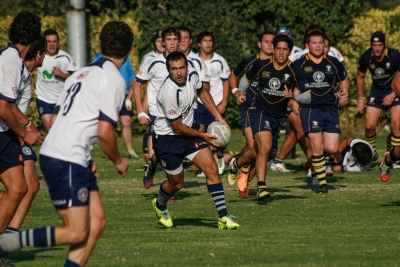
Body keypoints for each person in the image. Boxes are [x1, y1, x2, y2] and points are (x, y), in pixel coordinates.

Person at [0, 21, 131, 267]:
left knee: (97, 222)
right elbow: (104, 132)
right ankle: (7, 242)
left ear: (101, 47)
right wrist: (118, 160)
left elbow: (69, 122)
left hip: (68, 154)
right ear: (130, 49)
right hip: (66, 158)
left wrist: (87, 159)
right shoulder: (113, 80)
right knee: (76, 232)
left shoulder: (81, 73)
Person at [151, 51, 240, 230]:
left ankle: (223, 217)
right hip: (168, 140)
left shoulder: (192, 75)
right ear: (168, 70)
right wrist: (203, 135)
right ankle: (160, 204)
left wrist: (218, 117)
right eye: (174, 69)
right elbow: (177, 127)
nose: (179, 72)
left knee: (212, 169)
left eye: (182, 67)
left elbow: (202, 92)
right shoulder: (169, 92)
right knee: (177, 184)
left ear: (187, 66)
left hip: (188, 135)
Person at [228, 34, 309, 200]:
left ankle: (236, 163)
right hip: (258, 111)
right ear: (274, 49)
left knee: (258, 151)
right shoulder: (261, 64)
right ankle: (261, 187)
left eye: (284, 49)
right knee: (265, 147)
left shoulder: (295, 71)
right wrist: (240, 92)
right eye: (277, 48)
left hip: (277, 116)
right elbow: (245, 79)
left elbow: (308, 97)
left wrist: (294, 96)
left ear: (289, 51)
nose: (280, 52)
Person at [0, 12, 43, 267]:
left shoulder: (12, 58)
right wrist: (25, 133)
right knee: (21, 188)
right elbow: (3, 108)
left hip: (4, 133)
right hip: (2, 133)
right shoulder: (10, 59)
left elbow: (10, 105)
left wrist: (27, 125)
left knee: (19, 188)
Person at [293, 31, 349, 193]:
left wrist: (344, 93)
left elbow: (344, 81)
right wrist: (294, 100)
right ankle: (322, 182)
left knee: (331, 148)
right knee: (316, 145)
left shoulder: (333, 62)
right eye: (314, 43)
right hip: (310, 109)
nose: (317, 46)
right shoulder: (300, 63)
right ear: (307, 45)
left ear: (324, 45)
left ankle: (317, 166)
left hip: (330, 108)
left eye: (320, 43)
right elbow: (290, 83)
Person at [228, 31, 275, 197]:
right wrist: (236, 92)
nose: (270, 45)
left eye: (273, 42)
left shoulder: (279, 65)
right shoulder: (249, 62)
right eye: (266, 41)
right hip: (249, 109)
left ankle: (242, 170)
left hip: (269, 113)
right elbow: (232, 76)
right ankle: (245, 174)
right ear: (259, 44)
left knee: (263, 150)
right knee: (254, 147)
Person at [134, 26, 180, 189]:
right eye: (169, 39)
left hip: (177, 113)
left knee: (170, 151)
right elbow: (137, 84)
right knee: (167, 149)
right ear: (163, 42)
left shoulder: (183, 63)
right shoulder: (152, 61)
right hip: (157, 113)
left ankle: (152, 167)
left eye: (175, 39)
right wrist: (140, 110)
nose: (172, 43)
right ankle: (169, 187)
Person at [356, 31, 400, 165]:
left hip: (394, 90)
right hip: (377, 91)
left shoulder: (394, 55)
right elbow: (360, 77)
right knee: (369, 125)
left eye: (379, 45)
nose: (377, 48)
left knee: (397, 125)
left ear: (384, 45)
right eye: (374, 45)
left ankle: (394, 158)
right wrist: (360, 99)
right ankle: (372, 154)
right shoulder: (366, 56)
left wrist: (394, 94)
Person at [93, 52, 139, 159]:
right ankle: (109, 151)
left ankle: (129, 151)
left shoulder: (125, 57)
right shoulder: (99, 57)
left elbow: (132, 78)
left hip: (125, 94)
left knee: (127, 121)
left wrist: (129, 98)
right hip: (109, 94)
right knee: (108, 123)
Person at [196, 31, 230, 176]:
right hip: (199, 103)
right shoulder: (194, 61)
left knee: (218, 134)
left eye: (210, 40)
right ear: (199, 44)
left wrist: (224, 102)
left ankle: (220, 156)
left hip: (216, 104)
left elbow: (226, 81)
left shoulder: (220, 60)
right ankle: (206, 165)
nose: (208, 43)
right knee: (202, 134)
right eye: (205, 41)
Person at [35, 29, 78, 133]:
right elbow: (26, 70)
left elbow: (77, 79)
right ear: (44, 43)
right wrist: (27, 86)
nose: (52, 44)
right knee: (50, 128)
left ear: (58, 42)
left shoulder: (66, 58)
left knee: (60, 130)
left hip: (61, 99)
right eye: (49, 42)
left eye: (54, 41)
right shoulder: (38, 56)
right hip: (44, 98)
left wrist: (62, 74)